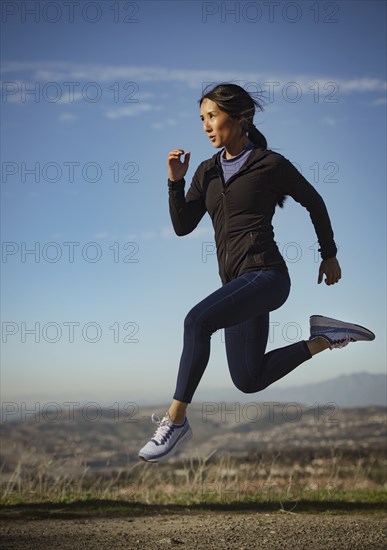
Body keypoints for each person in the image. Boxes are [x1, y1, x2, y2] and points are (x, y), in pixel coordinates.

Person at [138, 83, 375, 463]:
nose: (205, 126)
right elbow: (183, 226)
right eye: (202, 119)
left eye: (212, 116)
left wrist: (328, 255)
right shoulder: (206, 172)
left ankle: (175, 421)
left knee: (196, 321)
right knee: (248, 379)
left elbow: (315, 202)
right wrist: (175, 181)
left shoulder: (269, 164)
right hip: (237, 287)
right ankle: (326, 338)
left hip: (267, 277)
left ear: (240, 117)